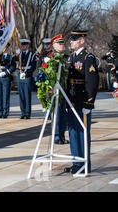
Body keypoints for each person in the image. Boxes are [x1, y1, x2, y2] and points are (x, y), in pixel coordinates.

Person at [64, 30, 99, 174]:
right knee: (73, 132)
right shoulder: (71, 57)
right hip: (71, 100)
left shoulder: (88, 57)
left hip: (82, 100)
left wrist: (89, 103)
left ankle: (84, 163)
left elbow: (92, 82)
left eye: (74, 39)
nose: (71, 42)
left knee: (82, 133)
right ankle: (76, 162)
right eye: (71, 39)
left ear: (82, 40)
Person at [51, 34, 70, 145]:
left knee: (64, 115)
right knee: (57, 114)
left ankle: (62, 135)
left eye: (63, 43)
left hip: (66, 90)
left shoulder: (67, 58)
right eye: (59, 43)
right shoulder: (50, 58)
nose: (62, 45)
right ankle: (57, 136)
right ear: (54, 45)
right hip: (56, 90)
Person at [0, 43, 16, 119]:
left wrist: (6, 72)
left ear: (8, 48)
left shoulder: (11, 57)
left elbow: (13, 67)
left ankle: (5, 112)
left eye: (6, 48)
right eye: (3, 47)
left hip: (6, 77)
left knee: (6, 95)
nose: (5, 49)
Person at [16, 39, 36, 119]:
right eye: (23, 45)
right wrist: (16, 55)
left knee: (27, 95)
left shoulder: (32, 55)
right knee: (21, 95)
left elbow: (33, 66)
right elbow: (14, 61)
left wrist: (27, 73)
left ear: (27, 46)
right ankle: (22, 112)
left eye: (25, 45)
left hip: (27, 75)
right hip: (20, 75)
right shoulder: (19, 54)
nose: (24, 47)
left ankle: (27, 113)